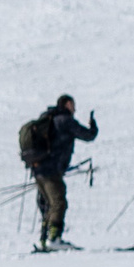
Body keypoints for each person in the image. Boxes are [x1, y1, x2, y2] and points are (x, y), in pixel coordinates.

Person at [22, 95, 97, 250]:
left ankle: (45, 239)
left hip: (38, 169)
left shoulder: (50, 119)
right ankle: (54, 239)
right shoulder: (65, 121)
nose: (75, 109)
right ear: (67, 104)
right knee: (58, 202)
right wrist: (93, 126)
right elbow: (88, 135)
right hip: (50, 170)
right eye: (73, 105)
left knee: (49, 204)